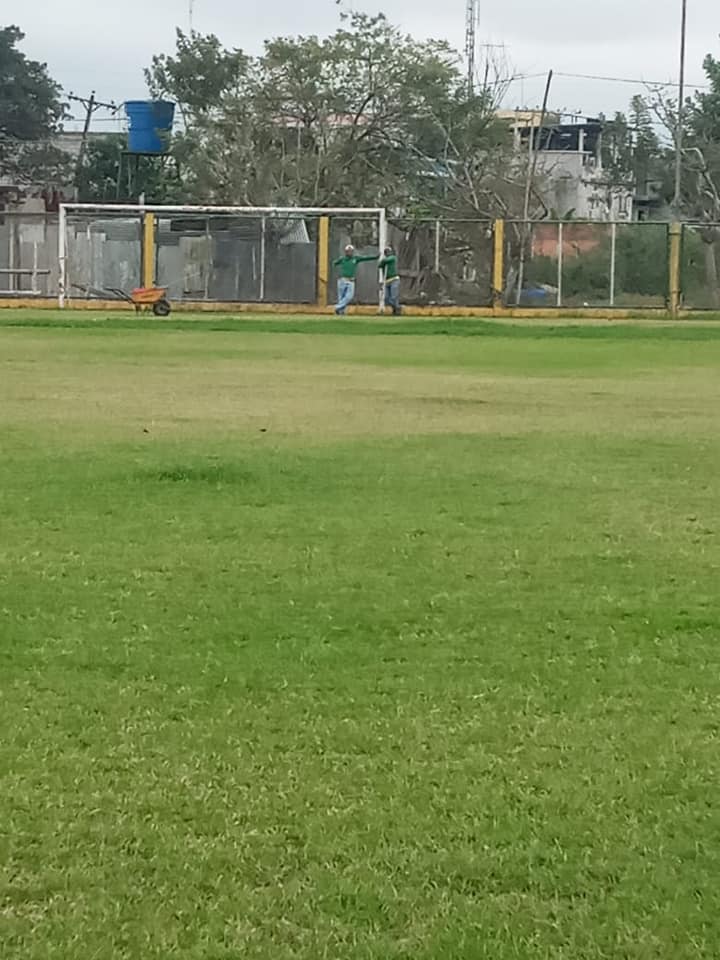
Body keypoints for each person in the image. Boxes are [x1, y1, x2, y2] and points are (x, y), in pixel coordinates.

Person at [333, 245, 379, 315]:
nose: (350, 252)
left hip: (351, 280)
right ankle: (340, 312)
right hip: (342, 280)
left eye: (351, 251)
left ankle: (337, 307)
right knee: (341, 297)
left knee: (349, 296)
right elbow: (334, 263)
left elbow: (365, 258)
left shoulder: (355, 259)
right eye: (348, 251)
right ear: (345, 252)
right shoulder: (342, 259)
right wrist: (338, 272)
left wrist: (375, 257)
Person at [379, 246, 401, 315]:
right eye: (386, 252)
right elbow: (379, 265)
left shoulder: (393, 258)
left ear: (391, 252)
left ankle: (397, 309)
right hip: (387, 281)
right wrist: (383, 262)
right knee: (386, 298)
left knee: (393, 297)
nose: (387, 253)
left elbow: (387, 260)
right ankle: (396, 307)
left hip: (394, 279)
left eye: (388, 251)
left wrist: (383, 261)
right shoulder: (384, 261)